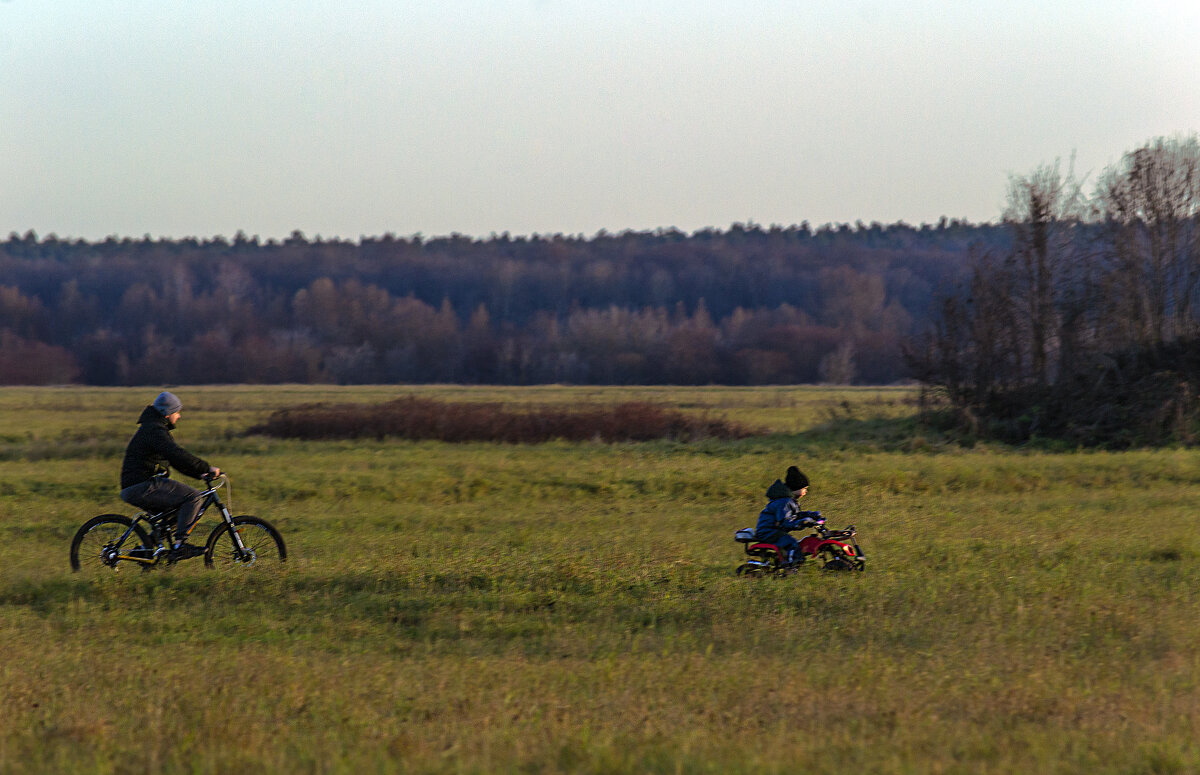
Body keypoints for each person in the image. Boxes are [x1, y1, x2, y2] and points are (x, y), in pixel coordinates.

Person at [119, 391, 220, 559]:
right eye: (177, 412)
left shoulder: (153, 428)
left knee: (175, 514)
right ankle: (181, 546)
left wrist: (200, 473)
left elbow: (176, 461)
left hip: (136, 486)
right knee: (193, 497)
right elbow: (176, 454)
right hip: (142, 486)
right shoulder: (155, 431)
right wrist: (206, 467)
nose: (179, 416)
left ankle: (145, 550)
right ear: (167, 414)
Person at [754, 465, 821, 566]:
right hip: (768, 532)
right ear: (796, 488)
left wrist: (810, 515)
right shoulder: (784, 502)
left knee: (790, 541)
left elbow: (795, 515)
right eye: (804, 488)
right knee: (791, 543)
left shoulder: (789, 501)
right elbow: (786, 522)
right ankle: (791, 566)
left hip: (775, 530)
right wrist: (803, 522)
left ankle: (791, 562)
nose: (806, 491)